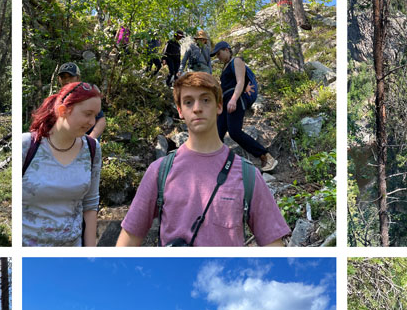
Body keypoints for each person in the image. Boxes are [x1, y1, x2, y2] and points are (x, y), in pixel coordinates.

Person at [117, 72, 290, 247]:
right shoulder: (159, 171)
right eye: (188, 102)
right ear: (180, 111)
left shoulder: (248, 175)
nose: (197, 108)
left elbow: (274, 248)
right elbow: (127, 244)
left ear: (219, 106)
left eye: (205, 100)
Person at [22, 81, 102, 246]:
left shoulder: (93, 149)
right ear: (63, 111)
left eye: (95, 115)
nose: (92, 122)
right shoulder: (27, 146)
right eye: (87, 114)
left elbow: (91, 203)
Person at [212, 41, 276, 172]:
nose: (218, 57)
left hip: (235, 99)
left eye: (219, 53)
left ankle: (265, 156)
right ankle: (215, 165)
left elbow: (241, 81)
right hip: (225, 102)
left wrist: (234, 99)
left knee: (235, 132)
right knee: (217, 134)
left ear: (227, 50)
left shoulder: (237, 61)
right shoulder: (225, 67)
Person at [55, 62, 105, 140]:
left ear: (78, 78)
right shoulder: (58, 98)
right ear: (59, 79)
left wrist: (90, 140)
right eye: (63, 77)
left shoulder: (87, 95)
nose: (67, 80)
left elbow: (101, 120)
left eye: (70, 76)